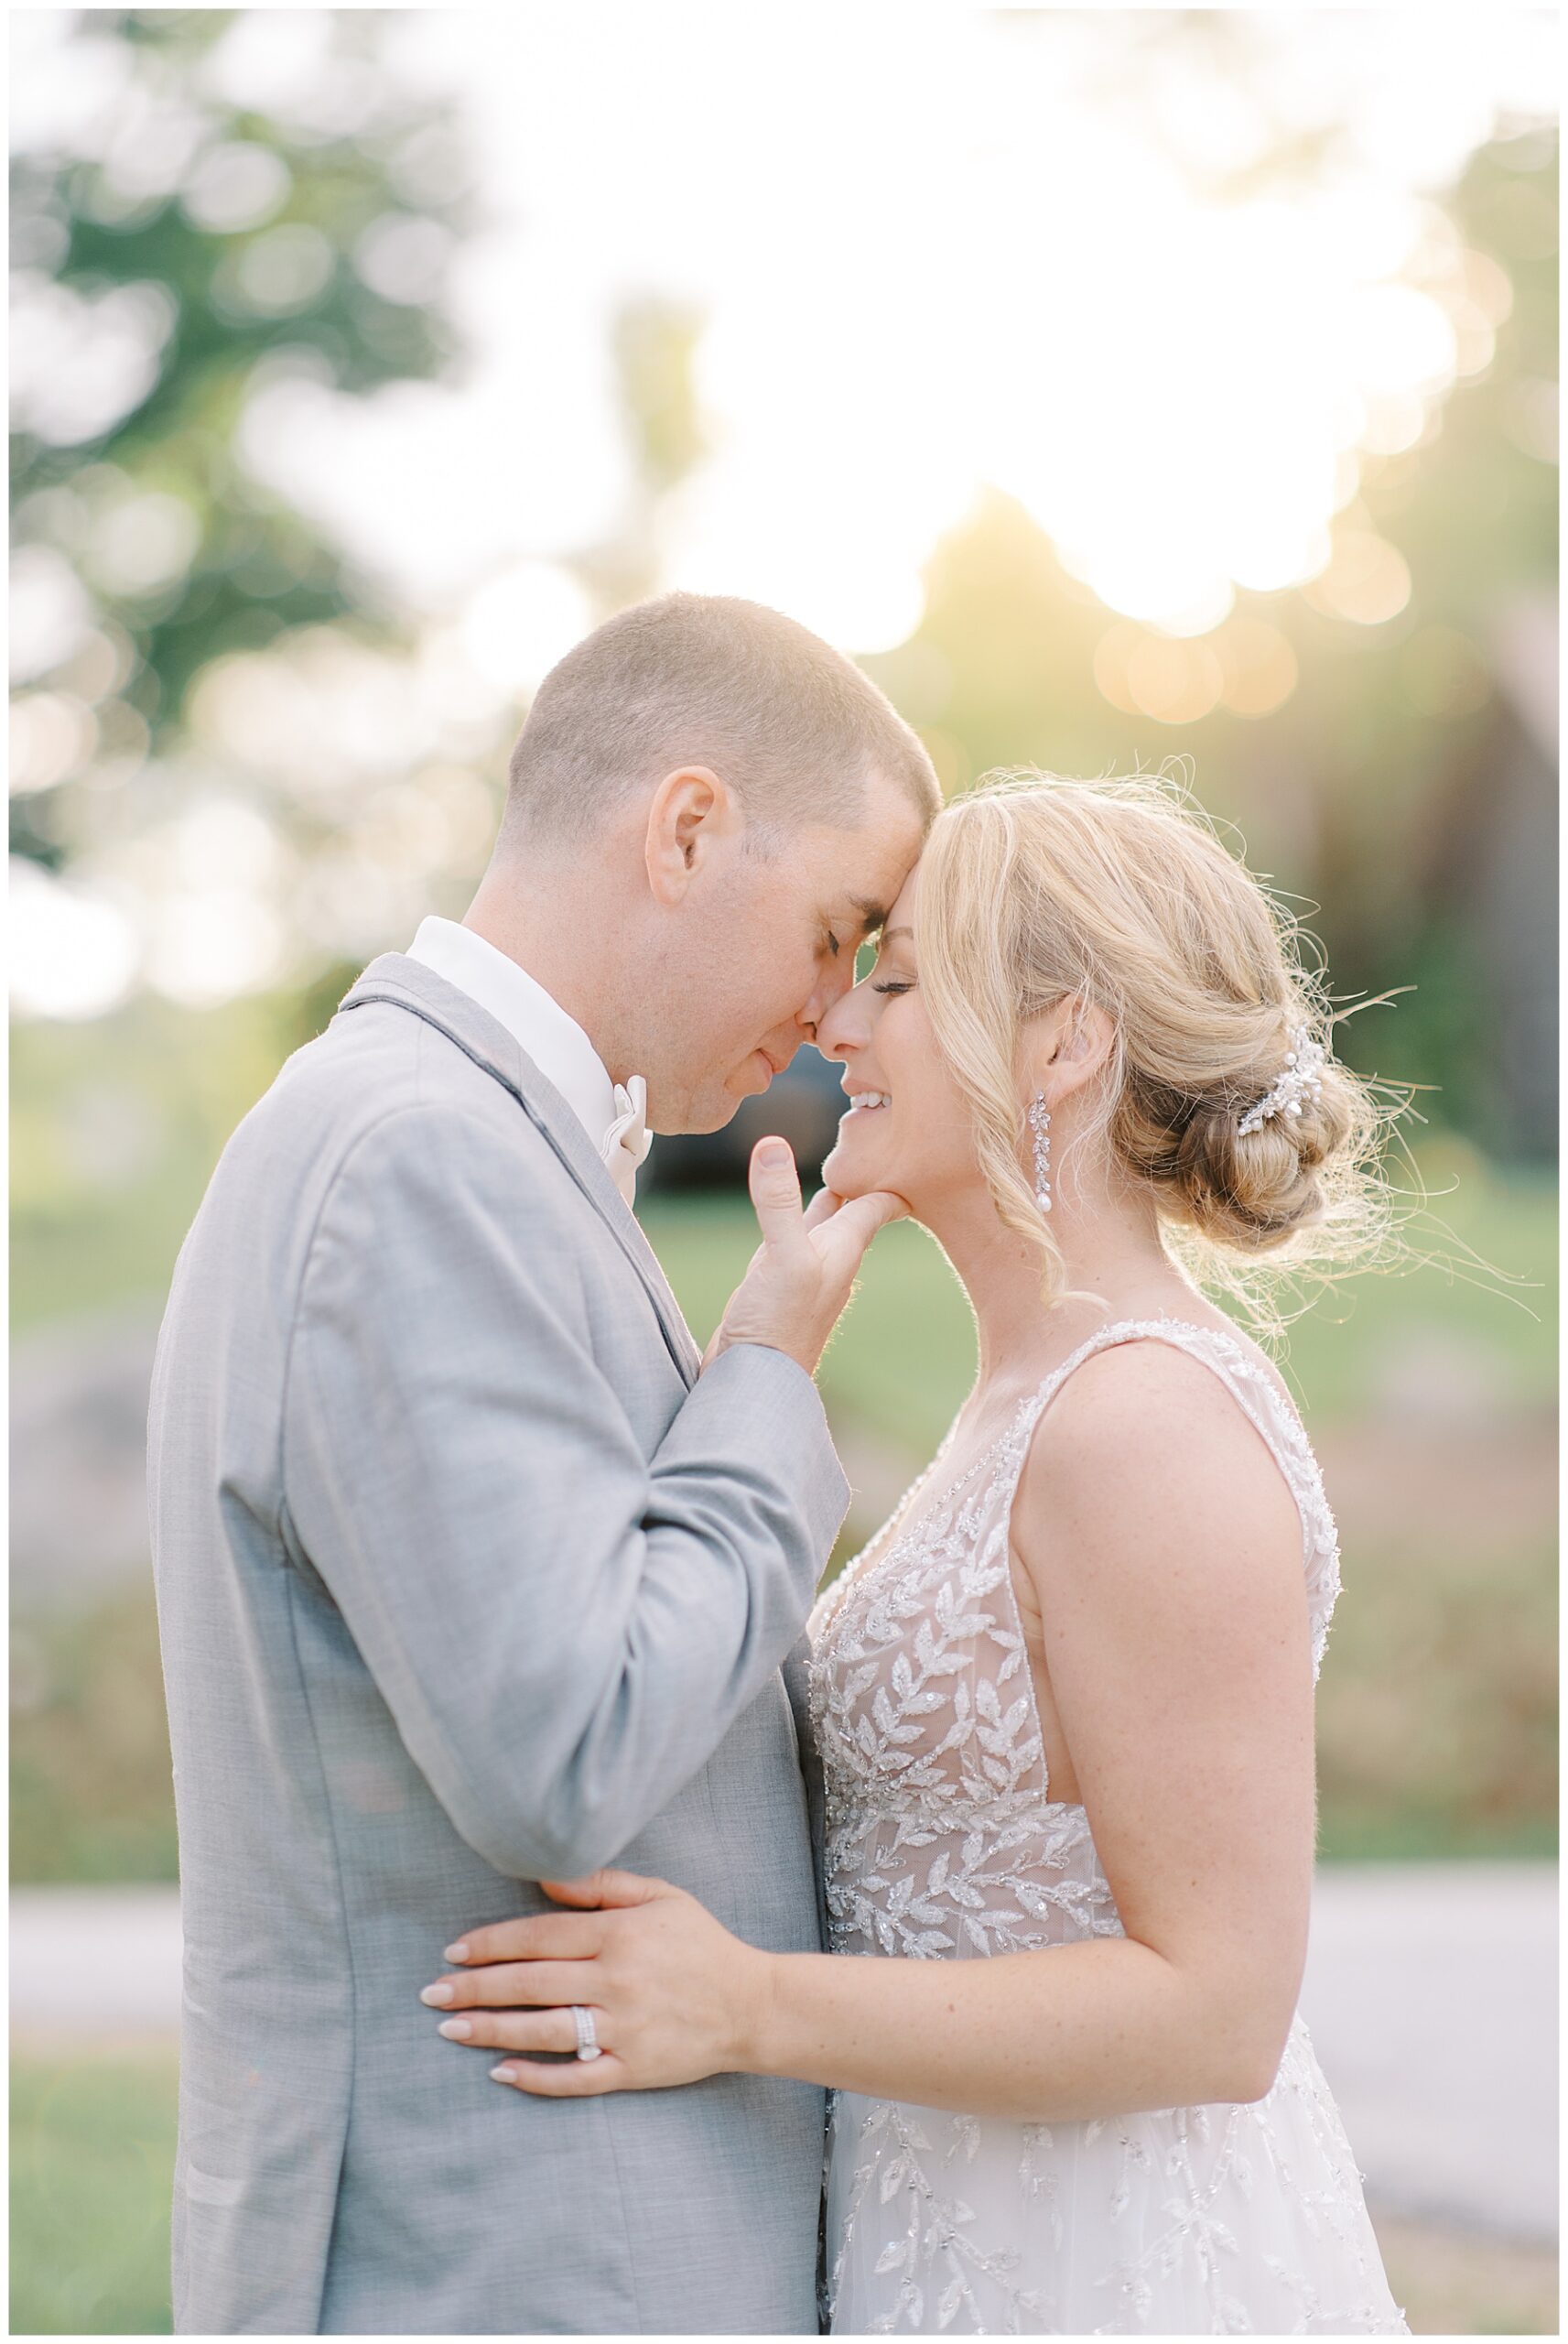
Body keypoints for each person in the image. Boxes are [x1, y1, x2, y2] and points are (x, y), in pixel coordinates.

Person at [428, 771, 1411, 2336]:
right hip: (938, 2240)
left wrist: (741, 2005)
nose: (834, 1027)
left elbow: (1217, 2011)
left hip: (1105, 2271)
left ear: (1061, 1040)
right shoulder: (1018, 1402)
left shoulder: (1140, 1423)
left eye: (891, 983)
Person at [147, 591, 936, 2334]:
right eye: (835, 929)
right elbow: (565, 1751)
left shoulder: (466, 1143)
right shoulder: (422, 1160)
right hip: (510, 2266)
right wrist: (761, 1379)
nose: (828, 1014)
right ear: (684, 829)